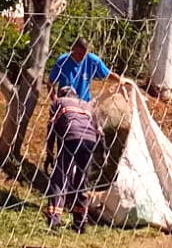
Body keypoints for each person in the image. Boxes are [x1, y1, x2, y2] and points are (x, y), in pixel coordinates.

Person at [44, 85, 101, 232]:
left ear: (60, 94)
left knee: (60, 178)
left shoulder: (58, 102)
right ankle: (80, 223)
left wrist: (49, 153)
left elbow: (51, 127)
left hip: (71, 138)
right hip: (90, 141)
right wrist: (102, 154)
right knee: (81, 182)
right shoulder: (87, 106)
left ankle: (54, 220)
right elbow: (99, 132)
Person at [48, 37, 124, 103]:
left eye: (84, 54)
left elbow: (108, 74)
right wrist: (56, 101)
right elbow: (50, 83)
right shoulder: (63, 61)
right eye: (79, 54)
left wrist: (121, 81)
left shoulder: (91, 60)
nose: (82, 57)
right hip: (65, 103)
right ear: (73, 49)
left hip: (83, 103)